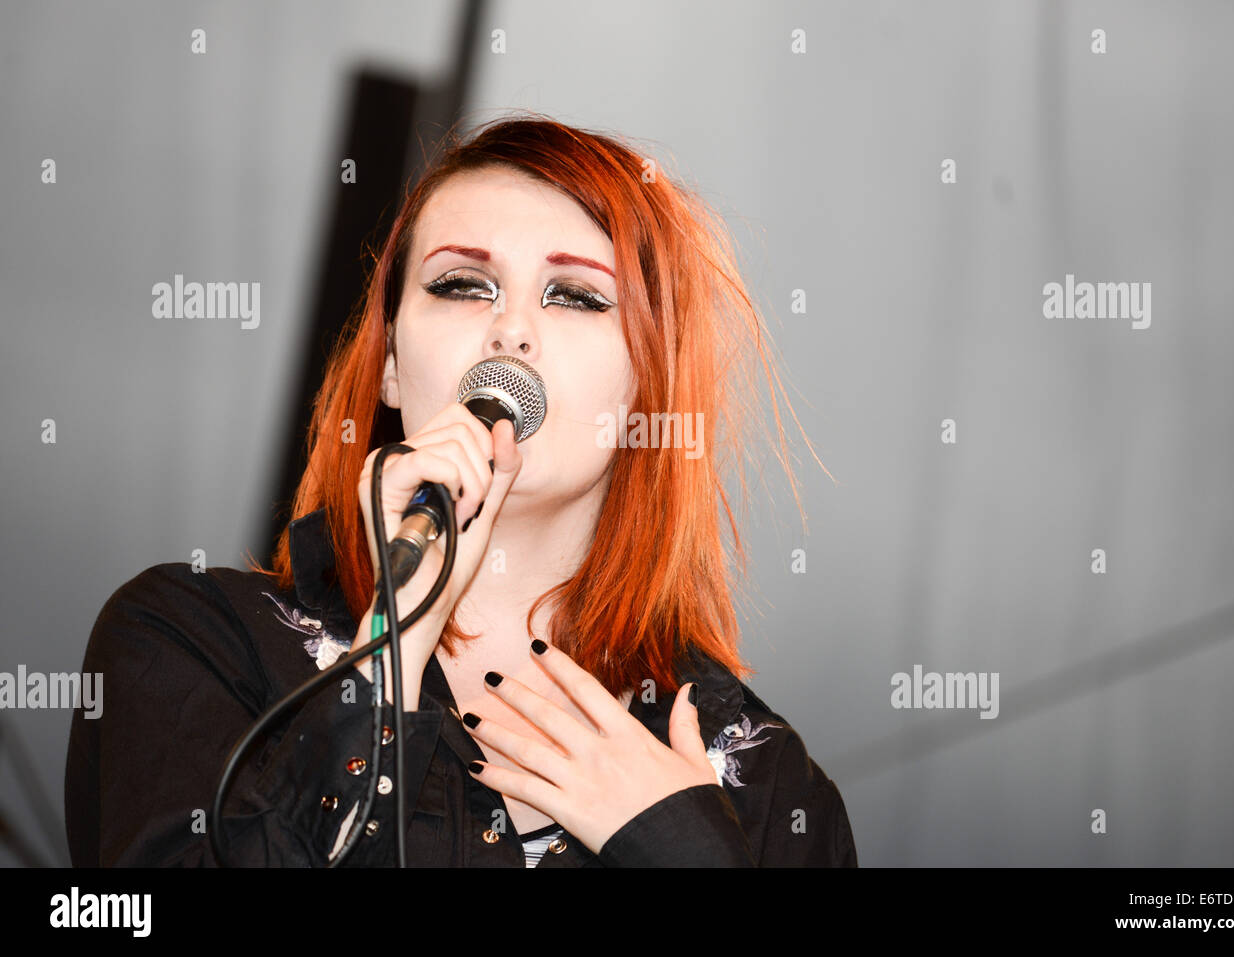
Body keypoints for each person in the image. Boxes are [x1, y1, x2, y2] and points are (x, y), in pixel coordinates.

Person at [64, 114, 858, 867]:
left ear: (650, 388)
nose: (511, 329)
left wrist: (685, 851)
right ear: (391, 365)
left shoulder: (767, 781)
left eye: (575, 295)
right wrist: (392, 650)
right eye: (462, 285)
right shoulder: (191, 641)